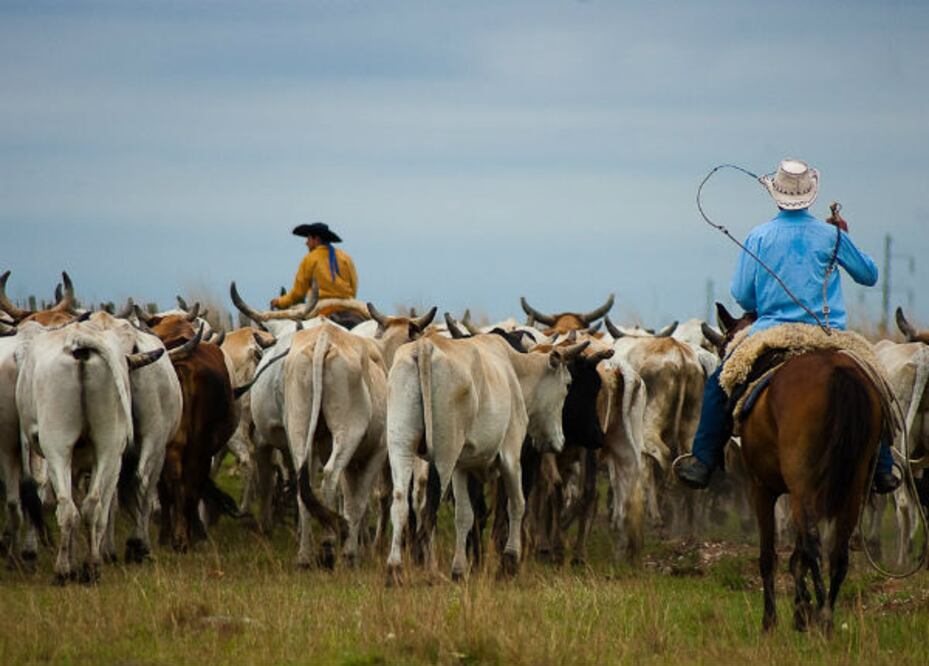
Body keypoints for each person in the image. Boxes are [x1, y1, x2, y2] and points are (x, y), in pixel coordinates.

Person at [675, 158, 900, 494]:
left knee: (721, 380)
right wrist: (842, 237)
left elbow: (741, 294)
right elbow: (869, 275)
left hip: (771, 333)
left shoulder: (760, 236)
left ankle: (703, 460)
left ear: (776, 194)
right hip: (829, 335)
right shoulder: (831, 235)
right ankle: (882, 466)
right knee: (876, 381)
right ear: (810, 194)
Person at [270, 221, 363, 327]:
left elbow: (298, 293)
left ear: (316, 239)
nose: (306, 243)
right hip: (349, 306)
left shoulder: (310, 259)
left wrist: (280, 302)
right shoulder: (346, 257)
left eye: (308, 239)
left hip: (321, 308)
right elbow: (354, 286)